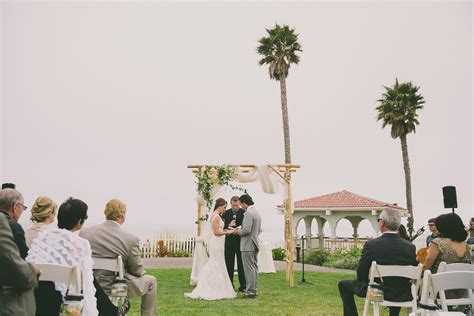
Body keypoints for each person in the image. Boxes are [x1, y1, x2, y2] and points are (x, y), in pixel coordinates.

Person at [80, 199, 157, 316]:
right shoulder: (130, 239)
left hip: (88, 285)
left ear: (106, 214)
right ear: (122, 215)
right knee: (151, 281)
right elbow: (137, 271)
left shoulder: (85, 233)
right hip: (116, 289)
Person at [338, 208, 418, 316]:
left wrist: (365, 281)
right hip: (402, 294)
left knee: (343, 284)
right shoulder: (410, 247)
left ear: (382, 223)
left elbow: (361, 271)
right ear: (398, 225)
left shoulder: (371, 245)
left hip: (376, 293)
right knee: (396, 282)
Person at [27, 197, 99, 316]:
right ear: (79, 221)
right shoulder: (80, 244)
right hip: (62, 307)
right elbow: (86, 286)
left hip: (35, 305)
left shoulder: (42, 239)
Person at [185, 198, 236, 300]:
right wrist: (228, 232)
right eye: (224, 207)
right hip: (216, 244)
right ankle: (212, 287)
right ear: (220, 206)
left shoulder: (215, 216)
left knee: (219, 263)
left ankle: (218, 287)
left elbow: (218, 229)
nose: (225, 210)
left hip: (218, 243)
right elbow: (216, 233)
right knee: (215, 263)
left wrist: (226, 229)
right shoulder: (216, 217)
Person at [0, 212, 40, 316]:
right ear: (14, 207)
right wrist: (33, 270)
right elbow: (16, 270)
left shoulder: (29, 231)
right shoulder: (13, 226)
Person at [235, 194, 262, 299]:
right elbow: (258, 229)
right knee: (254, 268)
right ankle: (253, 290)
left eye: (241, 204)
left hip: (247, 245)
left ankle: (250, 292)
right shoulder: (257, 213)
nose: (241, 207)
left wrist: (237, 231)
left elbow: (246, 230)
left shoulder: (248, 213)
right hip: (255, 243)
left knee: (249, 269)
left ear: (244, 202)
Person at [223, 196, 246, 291]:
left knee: (241, 264)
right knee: (229, 264)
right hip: (229, 242)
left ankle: (243, 286)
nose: (235, 207)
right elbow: (221, 226)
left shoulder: (244, 212)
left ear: (239, 204)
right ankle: (230, 285)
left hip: (240, 241)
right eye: (233, 205)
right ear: (230, 204)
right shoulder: (226, 213)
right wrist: (229, 225)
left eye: (237, 205)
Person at [0, 188, 29, 258]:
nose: (22, 211)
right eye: (23, 208)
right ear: (15, 207)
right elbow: (23, 258)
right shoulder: (13, 227)